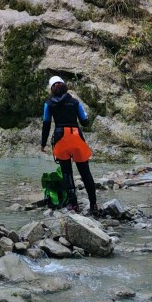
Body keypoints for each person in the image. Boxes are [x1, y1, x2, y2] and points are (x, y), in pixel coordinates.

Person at [40, 75, 102, 216]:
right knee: (85, 172)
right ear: (64, 86)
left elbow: (46, 124)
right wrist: (85, 116)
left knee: (67, 172)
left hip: (61, 138)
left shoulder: (49, 104)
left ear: (51, 88)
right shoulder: (74, 102)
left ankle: (73, 204)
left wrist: (43, 144)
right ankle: (93, 205)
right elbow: (85, 122)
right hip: (75, 136)